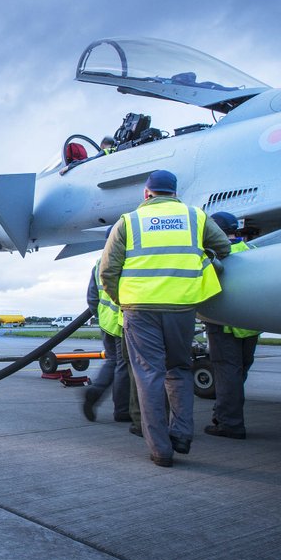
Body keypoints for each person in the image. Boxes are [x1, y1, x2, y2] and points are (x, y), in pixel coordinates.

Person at [98, 170, 232, 467]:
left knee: (148, 376)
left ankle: (161, 450)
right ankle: (182, 433)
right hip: (182, 307)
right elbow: (223, 248)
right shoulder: (195, 217)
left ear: (146, 194)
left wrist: (123, 300)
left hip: (140, 309)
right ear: (174, 192)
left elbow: (107, 271)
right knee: (180, 370)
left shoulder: (128, 222)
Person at [203, 212, 261, 440]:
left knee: (227, 375)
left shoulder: (214, 256)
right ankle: (224, 414)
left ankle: (229, 423)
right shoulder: (251, 251)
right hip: (252, 325)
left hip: (225, 325)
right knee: (239, 374)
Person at [82, 254, 130, 423]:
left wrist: (102, 317)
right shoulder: (126, 258)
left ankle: (96, 390)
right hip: (122, 320)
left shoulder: (99, 262)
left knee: (112, 361)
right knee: (123, 365)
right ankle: (122, 410)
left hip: (106, 321)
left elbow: (92, 298)